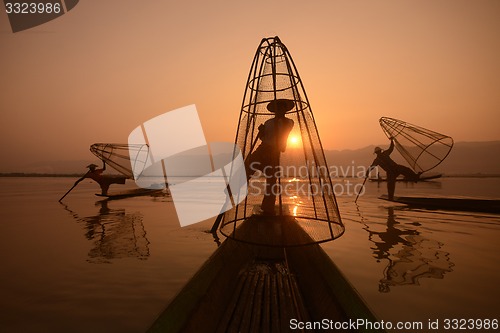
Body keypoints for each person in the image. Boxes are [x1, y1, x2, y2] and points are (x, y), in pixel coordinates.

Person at [245, 99, 295, 215]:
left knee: (272, 181)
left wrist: (279, 121)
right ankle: (233, 189)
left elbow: (281, 135)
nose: (280, 110)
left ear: (285, 110)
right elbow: (265, 139)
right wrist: (262, 132)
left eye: (282, 108)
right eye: (278, 108)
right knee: (247, 167)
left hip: (274, 153)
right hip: (262, 150)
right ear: (274, 110)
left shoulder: (289, 122)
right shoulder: (269, 122)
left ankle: (267, 208)